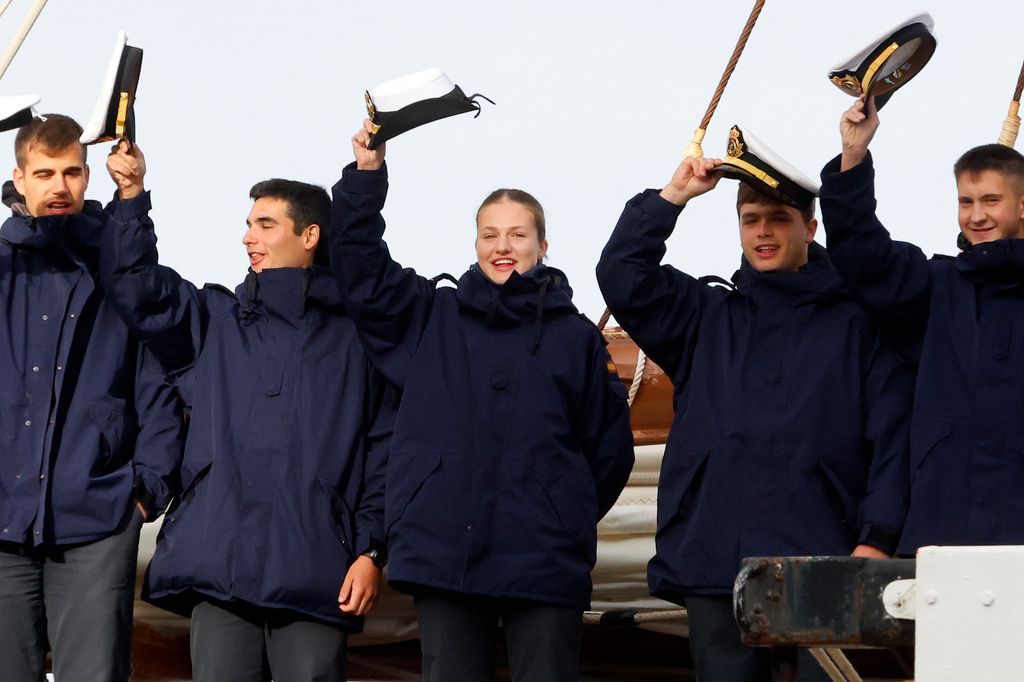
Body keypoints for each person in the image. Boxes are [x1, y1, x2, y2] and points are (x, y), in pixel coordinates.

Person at [596, 129, 912, 682]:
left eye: (779, 218)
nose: (763, 231)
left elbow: (892, 437)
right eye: (750, 219)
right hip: (719, 557)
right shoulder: (705, 318)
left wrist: (878, 539)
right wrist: (673, 195)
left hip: (824, 559)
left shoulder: (859, 325)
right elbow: (622, 273)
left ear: (810, 229)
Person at [330, 118, 634, 682]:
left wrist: (559, 508)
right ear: (474, 243)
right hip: (445, 549)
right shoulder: (430, 316)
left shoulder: (576, 338)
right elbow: (363, 275)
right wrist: (367, 176)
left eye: (517, 234)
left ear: (543, 246)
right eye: (490, 234)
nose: (503, 247)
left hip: (545, 557)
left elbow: (608, 449)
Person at [100, 140, 391, 682]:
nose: (247, 237)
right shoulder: (214, 321)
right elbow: (138, 288)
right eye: (247, 224)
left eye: (264, 224)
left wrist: (372, 550)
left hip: (316, 568)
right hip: (218, 564)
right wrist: (132, 195)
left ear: (310, 237)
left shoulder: (358, 341)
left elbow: (383, 450)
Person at [0, 115, 184, 682]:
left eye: (73, 172)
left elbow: (158, 386)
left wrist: (144, 491)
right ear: (19, 179)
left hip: (98, 518)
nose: (60, 186)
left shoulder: (120, 271)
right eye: (46, 173)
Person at [820, 96, 1024, 553]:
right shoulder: (936, 288)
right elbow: (864, 256)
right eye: (965, 202)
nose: (976, 215)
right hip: (943, 535)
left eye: (991, 200)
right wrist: (853, 156)